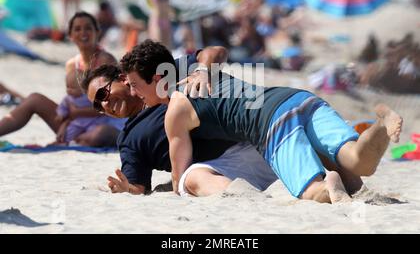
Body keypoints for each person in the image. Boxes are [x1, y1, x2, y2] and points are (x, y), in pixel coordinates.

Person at [120, 40, 404, 203]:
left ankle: (327, 181)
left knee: (311, 192)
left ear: (157, 79)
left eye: (134, 84)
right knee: (360, 162)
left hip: (272, 124)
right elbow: (217, 52)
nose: (133, 93)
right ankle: (381, 124)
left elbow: (180, 177)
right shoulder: (200, 72)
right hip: (299, 98)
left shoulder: (175, 110)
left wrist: (166, 189)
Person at [82, 45, 278, 196]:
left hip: (255, 134)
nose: (105, 104)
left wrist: (202, 71)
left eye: (102, 93)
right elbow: (138, 187)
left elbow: (217, 52)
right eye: (98, 106)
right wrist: (127, 189)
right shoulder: (129, 138)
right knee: (192, 179)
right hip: (225, 168)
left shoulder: (162, 74)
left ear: (123, 78)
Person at [0, 12, 124, 147]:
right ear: (70, 35)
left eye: (88, 28)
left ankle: (75, 141)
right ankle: (74, 140)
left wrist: (76, 113)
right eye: (77, 29)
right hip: (77, 124)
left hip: (105, 122)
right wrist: (65, 124)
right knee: (35, 99)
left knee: (101, 134)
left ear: (97, 32)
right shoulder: (72, 64)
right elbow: (71, 102)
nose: (83, 32)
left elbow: (112, 106)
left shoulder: (105, 60)